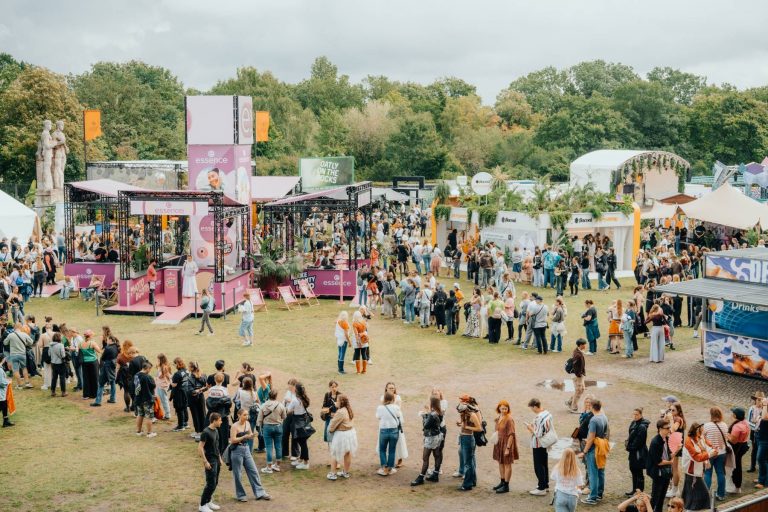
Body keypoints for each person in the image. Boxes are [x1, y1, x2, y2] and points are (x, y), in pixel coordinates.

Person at [229, 408, 271, 502]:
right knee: (238, 474)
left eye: (247, 415)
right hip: (237, 451)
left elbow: (250, 433)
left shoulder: (247, 424)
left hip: (246, 449)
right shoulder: (234, 426)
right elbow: (232, 440)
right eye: (244, 415)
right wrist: (244, 436)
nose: (246, 416)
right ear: (239, 415)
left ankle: (260, 493)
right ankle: (241, 495)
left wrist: (252, 435)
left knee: (254, 471)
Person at [579, 399, 609, 505]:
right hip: (602, 447)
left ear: (592, 407)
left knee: (593, 473)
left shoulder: (594, 420)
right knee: (601, 471)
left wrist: (585, 451)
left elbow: (591, 437)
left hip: (593, 449)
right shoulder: (604, 417)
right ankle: (599, 494)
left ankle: (592, 497)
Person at [681, 423, 716, 511]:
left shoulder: (699, 438)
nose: (702, 432)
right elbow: (697, 457)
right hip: (692, 472)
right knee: (701, 492)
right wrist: (709, 455)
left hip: (696, 471)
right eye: (701, 430)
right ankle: (690, 509)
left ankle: (689, 508)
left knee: (691, 492)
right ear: (696, 430)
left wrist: (707, 459)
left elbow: (705, 448)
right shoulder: (688, 442)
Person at [411, 395, 444, 486]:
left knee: (425, 458)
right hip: (438, 436)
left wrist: (425, 415)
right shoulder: (439, 412)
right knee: (437, 455)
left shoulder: (432, 414)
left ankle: (421, 477)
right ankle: (435, 474)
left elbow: (425, 426)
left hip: (430, 437)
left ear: (431, 403)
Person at [527, 397, 554, 496]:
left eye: (532, 408)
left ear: (535, 406)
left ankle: (541, 487)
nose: (532, 410)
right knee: (544, 464)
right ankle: (545, 485)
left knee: (538, 466)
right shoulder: (548, 414)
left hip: (539, 444)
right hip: (545, 444)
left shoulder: (540, 417)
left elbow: (538, 434)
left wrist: (530, 428)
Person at [455, 394, 482, 491]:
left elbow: (479, 428)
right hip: (463, 437)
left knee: (468, 463)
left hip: (468, 438)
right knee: (469, 462)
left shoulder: (472, 414)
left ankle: (467, 484)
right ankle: (472, 481)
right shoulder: (464, 413)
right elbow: (464, 423)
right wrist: (461, 424)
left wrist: (467, 427)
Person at [491, 400, 519, 494]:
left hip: (507, 443)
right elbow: (497, 430)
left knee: (507, 464)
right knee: (500, 462)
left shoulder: (509, 419)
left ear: (508, 409)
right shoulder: (499, 417)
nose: (504, 410)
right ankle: (502, 482)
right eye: (502, 408)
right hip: (499, 443)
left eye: (505, 408)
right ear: (499, 408)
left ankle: (506, 486)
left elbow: (511, 434)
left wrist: (508, 448)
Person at [327, 393, 357, 480]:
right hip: (350, 433)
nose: (336, 402)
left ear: (341, 402)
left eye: (337, 400)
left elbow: (332, 426)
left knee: (335, 453)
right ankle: (345, 472)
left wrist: (331, 430)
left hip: (342, 435)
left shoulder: (340, 412)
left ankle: (333, 474)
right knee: (347, 453)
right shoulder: (348, 409)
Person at [198, 412, 223, 512]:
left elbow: (216, 446)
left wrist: (220, 458)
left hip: (216, 459)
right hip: (210, 461)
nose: (221, 422)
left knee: (215, 482)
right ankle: (202, 504)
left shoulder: (216, 431)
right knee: (211, 483)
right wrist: (205, 461)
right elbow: (200, 447)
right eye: (220, 420)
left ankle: (208, 501)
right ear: (214, 420)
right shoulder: (206, 432)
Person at [702, 407, 728, 501]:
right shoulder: (724, 425)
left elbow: (702, 438)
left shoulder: (707, 425)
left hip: (710, 453)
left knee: (708, 473)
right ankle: (721, 494)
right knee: (721, 473)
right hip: (721, 452)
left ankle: (705, 495)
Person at [257, 388, 286, 473]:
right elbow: (284, 417)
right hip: (278, 427)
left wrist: (259, 428)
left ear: (268, 396)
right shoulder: (280, 405)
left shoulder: (264, 405)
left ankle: (269, 467)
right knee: (278, 446)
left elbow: (259, 419)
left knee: (269, 447)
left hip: (267, 427)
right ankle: (277, 465)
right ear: (276, 396)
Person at [647, 420, 673, 512]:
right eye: (667, 428)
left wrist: (676, 450)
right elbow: (658, 462)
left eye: (669, 427)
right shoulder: (655, 442)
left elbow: (668, 455)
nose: (669, 430)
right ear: (660, 429)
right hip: (658, 473)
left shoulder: (667, 438)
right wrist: (671, 462)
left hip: (665, 472)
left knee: (662, 496)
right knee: (655, 497)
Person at [376, 391, 402, 477]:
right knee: (392, 450)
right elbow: (399, 415)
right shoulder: (396, 407)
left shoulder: (380, 408)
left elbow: (378, 417)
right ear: (393, 399)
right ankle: (390, 468)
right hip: (394, 431)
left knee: (382, 450)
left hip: (384, 430)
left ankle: (384, 468)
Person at [288, 381, 312, 469]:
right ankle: (301, 459)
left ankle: (306, 462)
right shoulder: (304, 398)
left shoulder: (295, 400)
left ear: (296, 390)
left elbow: (288, 410)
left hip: (297, 421)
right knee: (302, 441)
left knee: (302, 442)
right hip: (304, 420)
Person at [551, 448, 583, 512]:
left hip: (560, 494)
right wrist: (578, 490)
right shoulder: (577, 470)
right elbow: (580, 484)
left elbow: (552, 477)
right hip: (573, 497)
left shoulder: (557, 467)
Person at [626, 408, 649, 494]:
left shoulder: (642, 426)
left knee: (638, 472)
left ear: (641, 415)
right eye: (634, 414)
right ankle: (634, 490)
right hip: (633, 452)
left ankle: (639, 492)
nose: (635, 416)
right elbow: (631, 435)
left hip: (639, 453)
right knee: (633, 470)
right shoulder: (633, 423)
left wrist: (629, 447)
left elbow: (639, 441)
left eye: (637, 414)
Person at [91, 333, 118, 407]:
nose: (107, 341)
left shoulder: (108, 348)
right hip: (113, 365)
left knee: (101, 384)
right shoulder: (116, 347)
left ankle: (98, 401)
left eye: (108, 339)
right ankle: (113, 398)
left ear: (110, 340)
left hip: (107, 366)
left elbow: (102, 358)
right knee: (112, 382)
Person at [728, 407, 749, 494]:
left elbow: (733, 440)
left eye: (733, 413)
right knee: (737, 465)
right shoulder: (745, 422)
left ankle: (737, 487)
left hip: (737, 447)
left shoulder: (737, 427)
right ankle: (737, 486)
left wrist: (726, 435)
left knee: (736, 467)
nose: (732, 413)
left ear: (735, 415)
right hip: (743, 444)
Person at [134, 361, 157, 438]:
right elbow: (153, 385)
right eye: (150, 369)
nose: (150, 371)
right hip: (147, 399)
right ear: (147, 368)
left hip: (138, 399)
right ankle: (149, 433)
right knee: (149, 416)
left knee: (140, 414)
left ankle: (138, 431)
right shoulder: (146, 377)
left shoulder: (136, 375)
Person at [79, 329, 101, 400]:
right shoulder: (92, 343)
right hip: (93, 362)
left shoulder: (81, 343)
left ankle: (86, 394)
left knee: (86, 378)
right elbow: (99, 351)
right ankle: (94, 394)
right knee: (94, 378)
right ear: (90, 336)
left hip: (85, 362)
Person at [566, 339, 587, 413]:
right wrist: (579, 376)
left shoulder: (577, 351)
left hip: (579, 374)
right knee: (579, 390)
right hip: (577, 375)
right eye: (584, 344)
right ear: (580, 345)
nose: (585, 345)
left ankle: (569, 402)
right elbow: (576, 366)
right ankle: (573, 407)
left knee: (582, 389)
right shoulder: (578, 355)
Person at [169, 358, 190, 431]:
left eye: (174, 364)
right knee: (184, 407)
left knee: (179, 409)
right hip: (185, 391)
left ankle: (181, 425)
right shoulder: (187, 371)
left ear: (177, 364)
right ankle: (185, 423)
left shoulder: (177, 374)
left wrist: (170, 381)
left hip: (179, 393)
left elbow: (174, 385)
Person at [321, 380, 340, 448]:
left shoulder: (340, 395)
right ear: (329, 387)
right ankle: (330, 445)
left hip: (337, 417)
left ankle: (337, 445)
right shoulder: (327, 395)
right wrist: (326, 410)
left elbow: (342, 407)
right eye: (332, 387)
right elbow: (324, 405)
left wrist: (336, 413)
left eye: (335, 386)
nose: (334, 388)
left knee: (337, 432)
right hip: (329, 417)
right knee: (328, 431)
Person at [49, 332, 67, 397]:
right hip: (60, 363)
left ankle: (53, 391)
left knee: (54, 378)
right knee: (62, 377)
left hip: (53, 363)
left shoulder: (50, 345)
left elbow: (49, 354)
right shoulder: (61, 345)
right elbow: (63, 355)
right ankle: (63, 392)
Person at [756, 396, 768, 489]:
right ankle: (762, 478)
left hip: (766, 439)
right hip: (762, 436)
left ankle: (763, 481)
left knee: (761, 459)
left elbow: (765, 417)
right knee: (763, 459)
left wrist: (765, 404)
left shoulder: (766, 405)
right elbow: (762, 417)